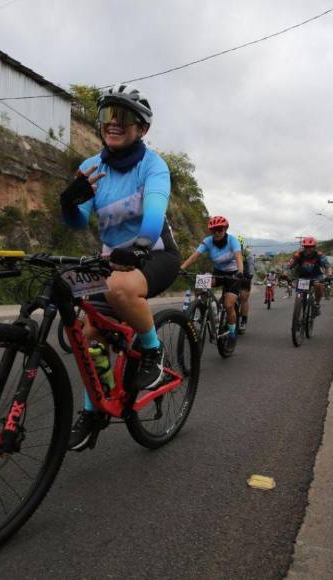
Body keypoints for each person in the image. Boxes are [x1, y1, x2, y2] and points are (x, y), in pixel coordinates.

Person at [59, 84, 181, 451]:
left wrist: (141, 243)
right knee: (87, 334)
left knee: (121, 288)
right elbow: (79, 223)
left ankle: (153, 351)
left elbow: (155, 211)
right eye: (106, 115)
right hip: (112, 261)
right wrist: (69, 203)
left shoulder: (153, 166)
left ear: (141, 128)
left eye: (124, 116)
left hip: (155, 252)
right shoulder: (90, 167)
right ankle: (94, 409)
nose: (113, 123)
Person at [180, 216, 244, 348]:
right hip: (218, 273)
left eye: (220, 229)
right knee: (200, 285)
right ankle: (203, 310)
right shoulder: (208, 241)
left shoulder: (233, 241)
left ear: (225, 229)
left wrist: (240, 272)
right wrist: (181, 268)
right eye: (213, 230)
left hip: (233, 275)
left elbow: (238, 257)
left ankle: (232, 333)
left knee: (228, 305)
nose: (217, 232)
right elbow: (195, 256)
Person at [288, 237, 331, 311]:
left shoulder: (319, 255)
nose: (308, 249)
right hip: (303, 277)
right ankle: (299, 306)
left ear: (314, 247)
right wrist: (287, 272)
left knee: (319, 286)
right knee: (299, 294)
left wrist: (329, 274)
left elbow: (328, 267)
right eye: (306, 247)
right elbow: (290, 266)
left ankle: (317, 303)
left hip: (316, 276)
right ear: (303, 247)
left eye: (310, 247)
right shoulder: (298, 255)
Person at [237, 235, 254, 333]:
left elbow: (251, 263)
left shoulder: (247, 252)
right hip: (233, 274)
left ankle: (243, 320)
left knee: (243, 297)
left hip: (245, 275)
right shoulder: (230, 250)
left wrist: (250, 273)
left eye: (239, 246)